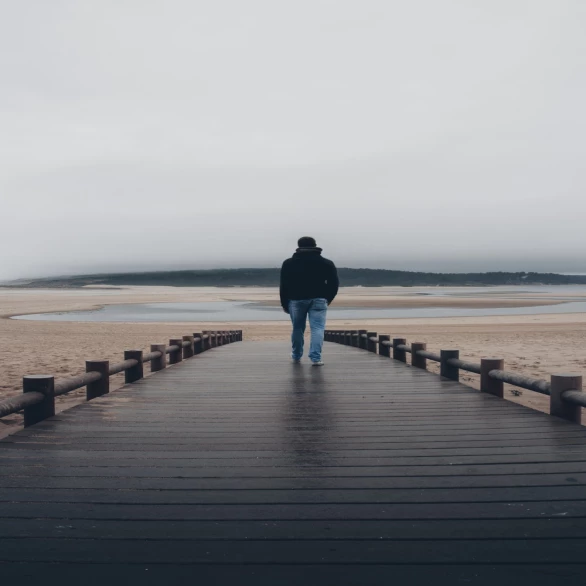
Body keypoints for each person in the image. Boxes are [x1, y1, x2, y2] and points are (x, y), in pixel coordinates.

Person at [280, 237, 339, 365]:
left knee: (297, 328)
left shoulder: (288, 263)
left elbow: (284, 285)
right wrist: (327, 298)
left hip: (295, 299)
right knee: (317, 328)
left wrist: (284, 303)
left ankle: (296, 355)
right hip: (319, 299)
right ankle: (316, 358)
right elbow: (334, 284)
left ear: (298, 246)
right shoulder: (327, 263)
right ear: (315, 245)